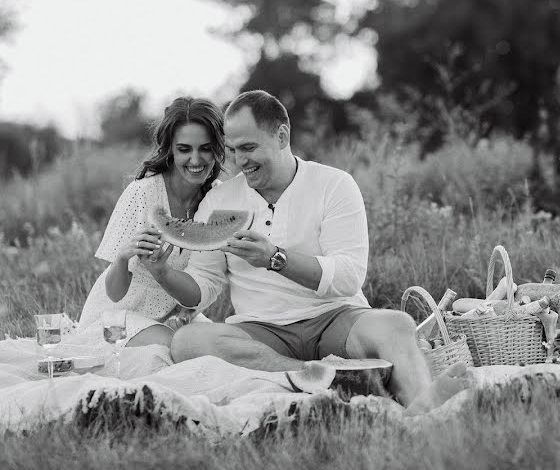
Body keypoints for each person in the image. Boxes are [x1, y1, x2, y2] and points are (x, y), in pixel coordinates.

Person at [147, 90, 468, 414]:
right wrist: (163, 273)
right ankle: (315, 378)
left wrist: (275, 258)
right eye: (232, 151)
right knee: (188, 341)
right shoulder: (219, 202)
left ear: (282, 135)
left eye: (249, 148)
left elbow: (348, 277)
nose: (241, 162)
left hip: (336, 319)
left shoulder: (334, 185)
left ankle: (424, 410)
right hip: (261, 331)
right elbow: (203, 287)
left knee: (396, 324)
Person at [76, 96, 227, 348]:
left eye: (206, 148)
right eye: (184, 149)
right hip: (119, 317)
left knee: (222, 350)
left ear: (219, 148)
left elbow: (210, 276)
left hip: (175, 316)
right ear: (170, 149)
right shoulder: (142, 192)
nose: (196, 159)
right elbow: (114, 293)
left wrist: (187, 311)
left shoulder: (219, 200)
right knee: (174, 349)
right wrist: (124, 257)